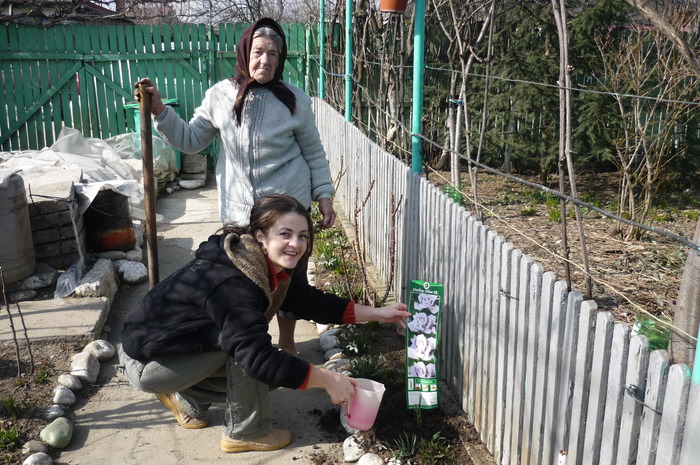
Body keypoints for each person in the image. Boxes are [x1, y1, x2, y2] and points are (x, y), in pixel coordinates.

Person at [118, 194, 410, 453]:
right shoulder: (236, 283)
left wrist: (378, 313)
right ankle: (245, 432)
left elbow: (310, 302)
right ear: (260, 236)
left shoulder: (263, 264)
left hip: (172, 347)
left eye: (303, 236)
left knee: (267, 374)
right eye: (285, 234)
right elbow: (255, 356)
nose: (296, 244)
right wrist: (329, 380)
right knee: (255, 359)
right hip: (148, 362)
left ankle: (187, 399)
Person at [135, 17, 337, 357]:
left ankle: (286, 342)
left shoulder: (295, 101)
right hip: (241, 214)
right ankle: (256, 347)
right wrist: (159, 111)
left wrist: (325, 195)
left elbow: (313, 152)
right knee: (244, 284)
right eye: (259, 51)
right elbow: (191, 139)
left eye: (274, 53)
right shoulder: (221, 96)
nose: (266, 60)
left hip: (288, 209)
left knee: (290, 281)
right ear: (245, 53)